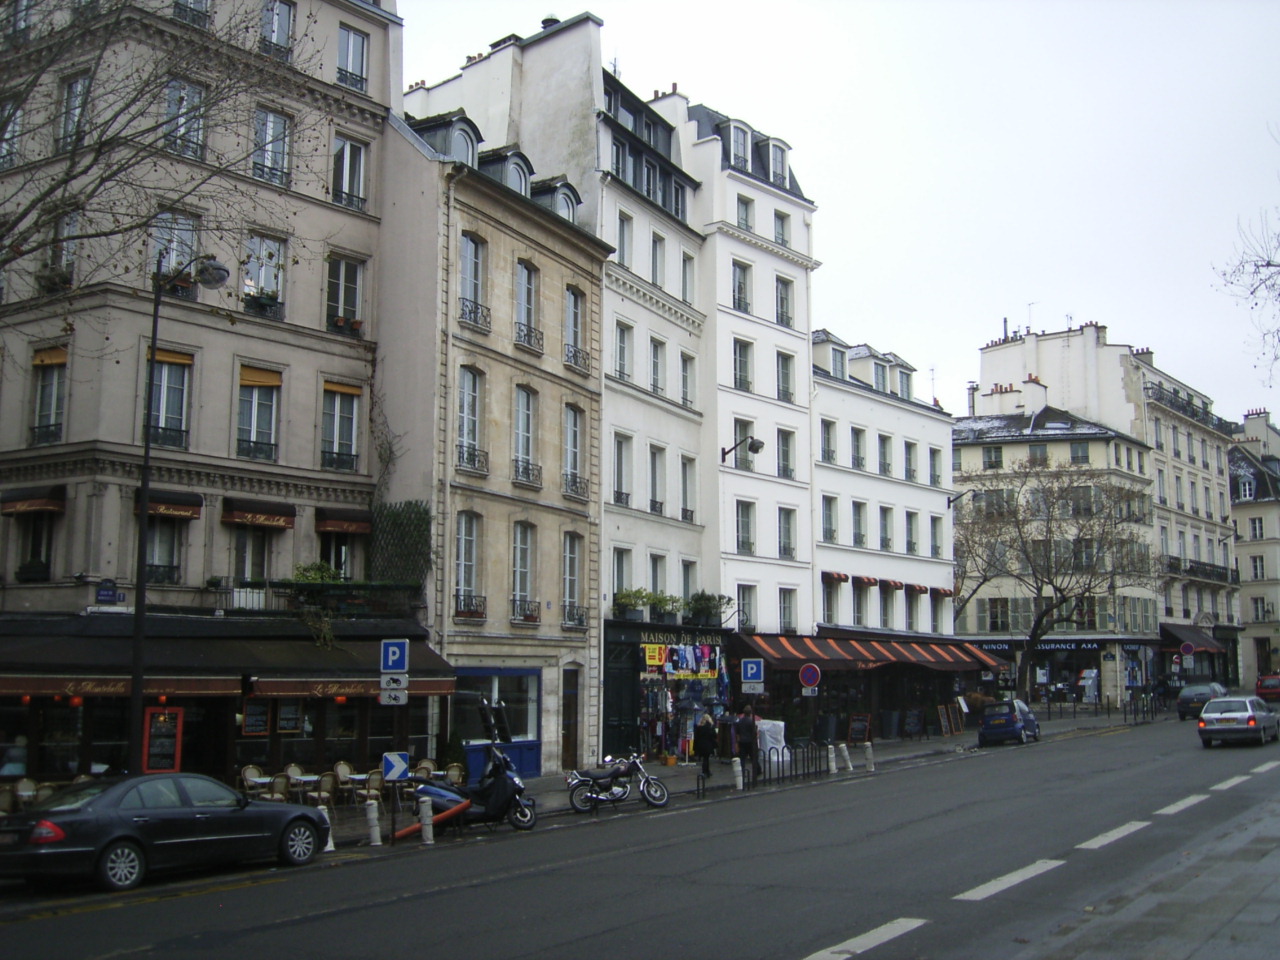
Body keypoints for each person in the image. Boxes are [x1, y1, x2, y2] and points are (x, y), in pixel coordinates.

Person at [736, 705, 761, 778]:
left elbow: (737, 733)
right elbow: (754, 733)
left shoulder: (740, 721)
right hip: (750, 742)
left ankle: (743, 773)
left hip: (742, 741)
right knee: (753, 757)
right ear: (750, 713)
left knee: (742, 759)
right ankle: (757, 771)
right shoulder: (751, 722)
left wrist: (737, 742)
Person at [693, 713, 716, 777]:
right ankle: (705, 772)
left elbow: (696, 737)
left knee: (705, 758)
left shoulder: (699, 727)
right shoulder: (710, 726)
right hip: (708, 745)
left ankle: (707, 771)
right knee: (706, 758)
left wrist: (695, 747)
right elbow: (714, 735)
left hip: (701, 745)